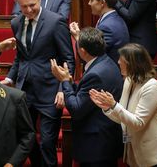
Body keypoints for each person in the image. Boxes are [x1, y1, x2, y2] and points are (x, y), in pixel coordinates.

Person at [2, 0, 75, 167]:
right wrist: (10, 78)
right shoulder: (16, 22)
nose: (28, 10)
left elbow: (68, 58)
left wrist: (62, 87)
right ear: (18, 3)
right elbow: (21, 56)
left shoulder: (55, 21)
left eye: (32, 5)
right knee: (25, 138)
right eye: (24, 6)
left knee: (47, 142)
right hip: (25, 90)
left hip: (50, 90)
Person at [90, 43, 157, 167]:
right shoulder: (129, 81)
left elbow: (138, 122)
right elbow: (123, 118)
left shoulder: (152, 87)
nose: (118, 62)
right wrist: (107, 107)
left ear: (132, 63)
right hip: (135, 156)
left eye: (122, 59)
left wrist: (114, 105)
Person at [51, 27, 123, 167]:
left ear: (82, 51)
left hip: (96, 145)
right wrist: (71, 82)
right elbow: (85, 94)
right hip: (104, 139)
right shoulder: (106, 62)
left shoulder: (96, 73)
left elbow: (76, 108)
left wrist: (64, 81)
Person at [71, 0, 129, 64]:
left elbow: (91, 55)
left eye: (91, 0)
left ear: (102, 3)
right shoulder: (113, 19)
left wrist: (77, 37)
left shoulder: (107, 27)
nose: (89, 3)